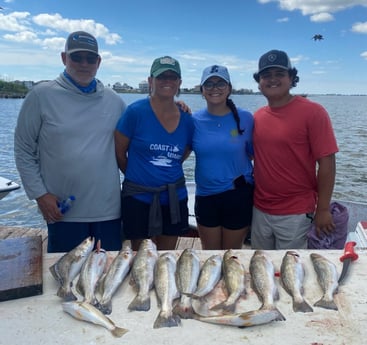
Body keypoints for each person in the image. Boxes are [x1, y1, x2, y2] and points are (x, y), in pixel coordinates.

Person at [14, 31, 126, 253]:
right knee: (64, 280)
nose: (84, 64)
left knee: (108, 277)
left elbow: (141, 133)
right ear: (64, 58)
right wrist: (40, 194)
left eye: (90, 58)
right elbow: (23, 149)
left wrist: (176, 109)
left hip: (109, 211)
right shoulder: (40, 96)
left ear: (99, 62)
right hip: (62, 211)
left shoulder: (115, 101)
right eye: (77, 57)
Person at [251, 49, 338, 250]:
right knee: (261, 269)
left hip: (295, 213)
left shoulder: (313, 112)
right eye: (266, 75)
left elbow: (327, 162)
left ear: (291, 78)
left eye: (279, 74)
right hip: (259, 209)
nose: (272, 80)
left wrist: (323, 209)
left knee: (290, 273)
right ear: (259, 82)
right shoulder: (257, 116)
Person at [114, 56, 194, 251]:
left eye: (172, 77)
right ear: (151, 81)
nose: (167, 81)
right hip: (139, 198)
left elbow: (183, 152)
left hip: (174, 197)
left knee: (167, 256)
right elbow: (119, 152)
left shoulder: (187, 118)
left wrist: (163, 167)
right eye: (161, 77)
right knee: (140, 256)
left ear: (179, 83)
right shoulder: (135, 112)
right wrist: (138, 176)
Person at [191, 65, 254, 250]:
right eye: (208, 84)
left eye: (220, 83)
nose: (214, 88)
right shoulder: (193, 120)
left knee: (231, 256)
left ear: (229, 88)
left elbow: (252, 153)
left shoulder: (245, 118)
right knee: (210, 256)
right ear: (202, 90)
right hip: (205, 196)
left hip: (237, 194)